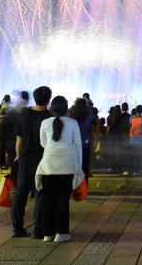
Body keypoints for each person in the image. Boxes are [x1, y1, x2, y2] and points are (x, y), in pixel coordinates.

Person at [35, 95, 83, 242]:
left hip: (49, 165)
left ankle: (47, 234)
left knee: (48, 200)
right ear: (66, 108)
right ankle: (61, 233)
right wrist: (78, 166)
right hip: (67, 166)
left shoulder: (45, 122)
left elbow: (44, 144)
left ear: (52, 108)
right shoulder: (73, 123)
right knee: (63, 200)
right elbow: (78, 145)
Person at [11, 85, 52, 238]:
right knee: (40, 194)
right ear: (49, 99)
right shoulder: (50, 116)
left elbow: (19, 138)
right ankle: (38, 230)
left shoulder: (24, 113)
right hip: (43, 160)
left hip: (25, 159)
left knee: (20, 194)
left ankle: (17, 228)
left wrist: (18, 157)